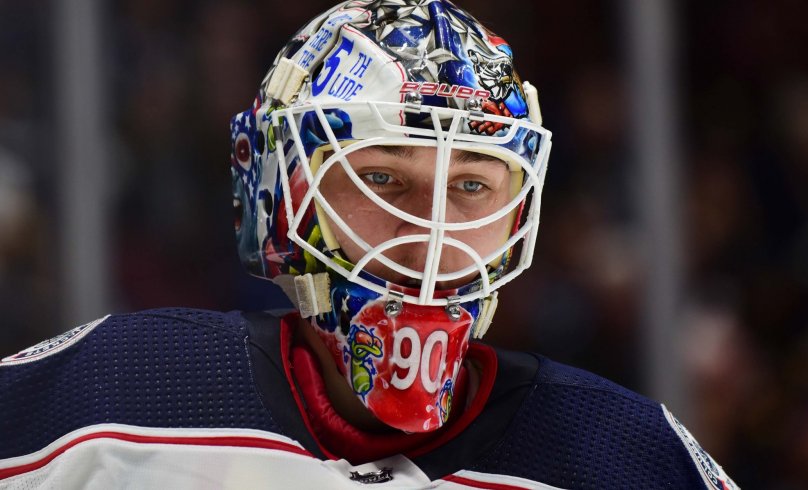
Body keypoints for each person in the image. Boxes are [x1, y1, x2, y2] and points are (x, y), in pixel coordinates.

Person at [0, 1, 738, 488]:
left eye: (473, 187)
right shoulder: (109, 398)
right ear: (281, 195)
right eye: (384, 179)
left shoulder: (633, 458)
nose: (431, 237)